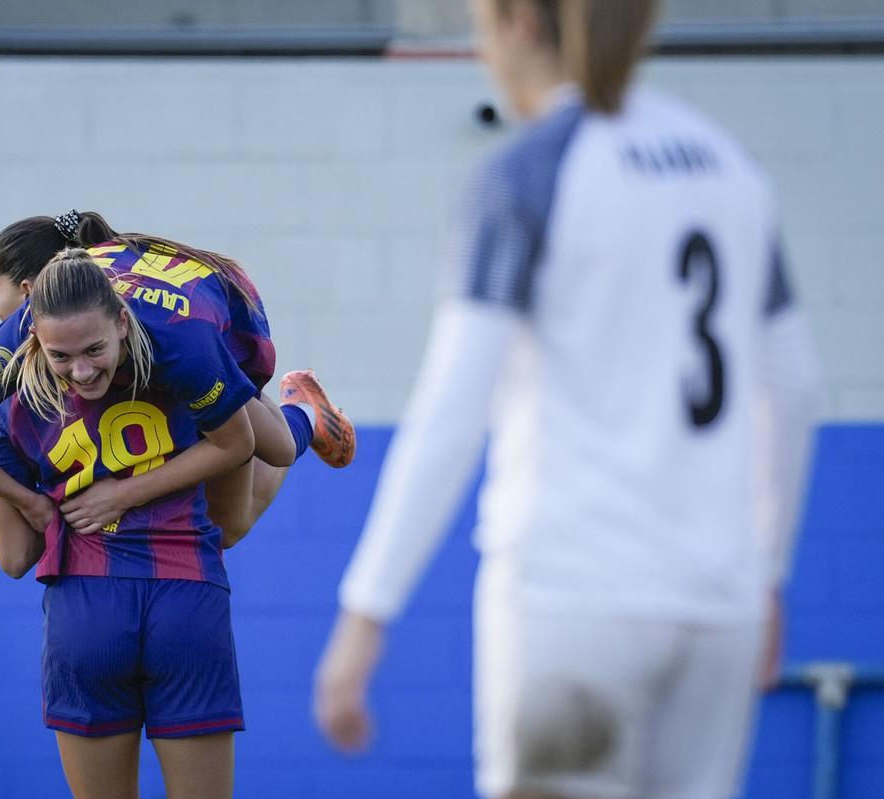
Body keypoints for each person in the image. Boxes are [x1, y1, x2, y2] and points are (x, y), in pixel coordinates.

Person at [312, 2, 821, 798]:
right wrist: (766, 571)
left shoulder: (528, 171)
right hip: (719, 604)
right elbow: (793, 386)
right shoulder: (730, 167)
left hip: (578, 597)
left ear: (519, 21)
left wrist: (365, 610)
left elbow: (453, 410)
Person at [0, 210, 355, 579]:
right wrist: (27, 500)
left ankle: (303, 413)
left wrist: (123, 494)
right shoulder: (29, 335)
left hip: (216, 332)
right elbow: (12, 556)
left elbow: (236, 444)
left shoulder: (172, 339)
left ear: (30, 291)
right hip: (157, 320)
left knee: (262, 471)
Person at [0, 250, 250, 797]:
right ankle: (303, 420)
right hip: (188, 595)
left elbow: (13, 559)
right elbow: (244, 444)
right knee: (246, 496)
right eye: (66, 356)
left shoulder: (11, 407)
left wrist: (25, 499)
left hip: (86, 609)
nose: (82, 370)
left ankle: (299, 425)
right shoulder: (178, 356)